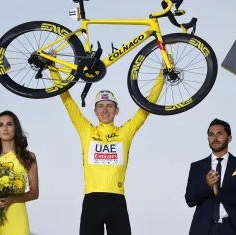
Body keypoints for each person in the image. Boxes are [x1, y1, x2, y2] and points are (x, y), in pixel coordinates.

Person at [49, 51, 172, 235]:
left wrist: (163, 72)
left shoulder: (124, 132)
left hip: (117, 200)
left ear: (117, 110)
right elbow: (67, 100)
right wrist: (53, 67)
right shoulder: (87, 130)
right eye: (100, 105)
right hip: (92, 200)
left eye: (109, 106)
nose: (105, 110)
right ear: (95, 111)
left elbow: (147, 106)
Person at [184, 118, 236, 235]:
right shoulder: (197, 166)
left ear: (229, 138)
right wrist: (208, 186)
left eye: (219, 133)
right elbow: (190, 200)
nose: (215, 138)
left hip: (233, 228)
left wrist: (218, 192)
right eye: (211, 135)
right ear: (208, 139)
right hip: (203, 229)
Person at [0, 110, 39, 235]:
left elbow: (34, 193)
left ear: (16, 128)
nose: (5, 128)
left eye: (9, 124)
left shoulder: (27, 157)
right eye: (1, 125)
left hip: (16, 213)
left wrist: (11, 199)